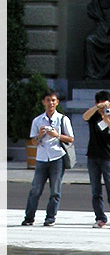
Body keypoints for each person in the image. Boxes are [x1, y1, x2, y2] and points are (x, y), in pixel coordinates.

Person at [21, 89, 74, 227]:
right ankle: (29, 217)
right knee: (35, 189)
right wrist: (40, 135)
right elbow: (33, 141)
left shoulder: (63, 119)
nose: (51, 103)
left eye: (53, 100)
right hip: (42, 158)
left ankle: (50, 217)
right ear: (43, 102)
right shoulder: (38, 120)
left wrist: (56, 135)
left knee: (55, 190)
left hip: (57, 157)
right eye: (48, 100)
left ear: (57, 102)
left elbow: (71, 139)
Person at [83, 90, 110, 229]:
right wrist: (97, 108)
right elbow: (85, 117)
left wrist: (109, 123)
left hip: (108, 157)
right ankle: (100, 218)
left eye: (108, 104)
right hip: (93, 156)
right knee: (96, 190)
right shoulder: (94, 116)